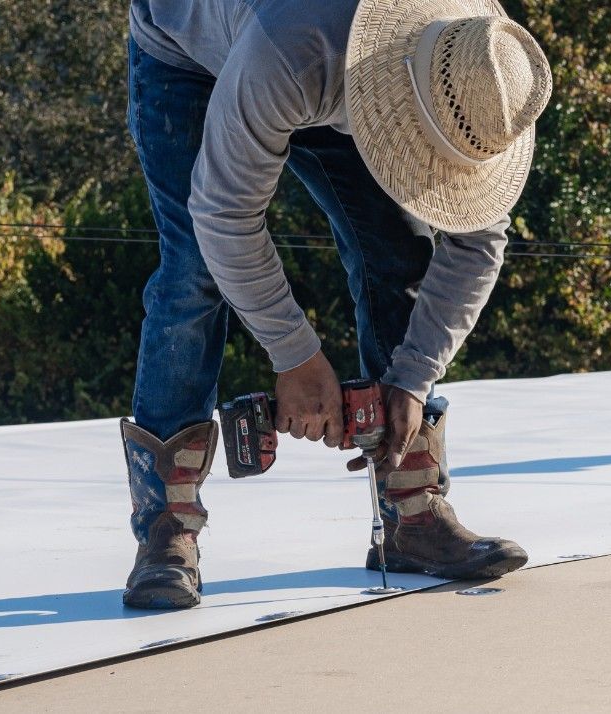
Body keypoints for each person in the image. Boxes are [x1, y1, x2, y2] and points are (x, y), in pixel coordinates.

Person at [119, 0, 553, 609]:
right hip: (187, 47)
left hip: (329, 66)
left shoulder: (483, 70)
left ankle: (413, 514)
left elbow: (478, 243)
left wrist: (412, 378)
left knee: (399, 247)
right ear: (392, 109)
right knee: (193, 273)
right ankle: (167, 531)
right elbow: (224, 216)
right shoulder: (295, 51)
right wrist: (295, 356)